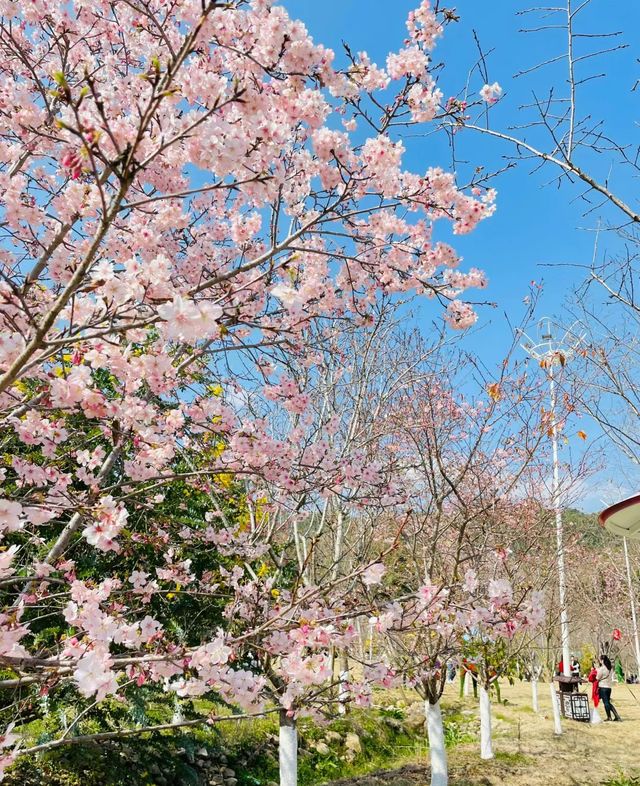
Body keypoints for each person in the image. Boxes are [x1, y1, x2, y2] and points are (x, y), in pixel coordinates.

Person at [596, 655, 621, 721]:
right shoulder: (610, 668)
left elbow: (597, 678)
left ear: (602, 660)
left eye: (600, 660)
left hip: (603, 687)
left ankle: (610, 717)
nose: (600, 661)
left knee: (606, 703)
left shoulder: (602, 669)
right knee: (608, 702)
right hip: (609, 687)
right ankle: (616, 716)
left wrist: (596, 670)